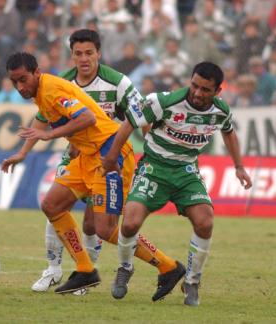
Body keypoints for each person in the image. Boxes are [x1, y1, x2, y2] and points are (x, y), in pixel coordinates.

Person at [2, 51, 185, 297]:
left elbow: (86, 118)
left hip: (111, 154)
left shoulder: (52, 90)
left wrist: (49, 136)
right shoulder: (42, 92)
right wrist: (23, 153)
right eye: (15, 82)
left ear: (37, 72)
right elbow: (41, 120)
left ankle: (169, 267)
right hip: (88, 156)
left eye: (23, 79)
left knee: (106, 230)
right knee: (52, 205)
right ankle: (85, 270)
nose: (20, 87)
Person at [101, 62, 252, 306]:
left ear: (217, 91)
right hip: (154, 169)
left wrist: (238, 166)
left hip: (186, 172)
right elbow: (129, 122)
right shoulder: (163, 101)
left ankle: (192, 281)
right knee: (129, 224)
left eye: (205, 89)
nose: (197, 92)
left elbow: (229, 131)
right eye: (194, 85)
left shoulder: (220, 110)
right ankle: (125, 268)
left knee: (205, 223)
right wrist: (111, 157)